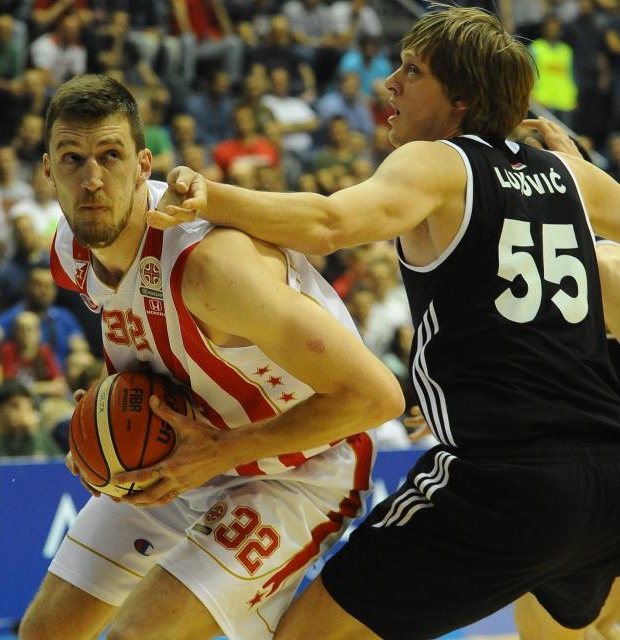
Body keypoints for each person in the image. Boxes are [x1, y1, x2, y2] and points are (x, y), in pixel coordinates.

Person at [151, 7, 620, 640]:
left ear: (462, 98)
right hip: (607, 477)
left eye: (412, 71)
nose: (388, 84)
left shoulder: (436, 162)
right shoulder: (569, 174)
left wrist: (212, 197)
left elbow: (329, 222)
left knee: (309, 636)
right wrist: (582, 172)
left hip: (506, 479)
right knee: (557, 627)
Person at [18, 74, 402, 640]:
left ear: (142, 165)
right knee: (44, 632)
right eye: (72, 159)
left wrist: (223, 451)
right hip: (188, 454)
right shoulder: (71, 251)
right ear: (48, 171)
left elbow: (378, 397)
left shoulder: (213, 268)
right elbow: (148, 349)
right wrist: (99, 429)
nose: (92, 179)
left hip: (300, 468)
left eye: (110, 155)